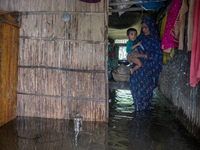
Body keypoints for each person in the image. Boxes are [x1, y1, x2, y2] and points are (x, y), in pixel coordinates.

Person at [129, 17, 163, 112]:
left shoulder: (155, 40)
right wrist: (129, 57)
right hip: (137, 72)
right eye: (143, 27)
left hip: (148, 71)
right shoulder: (140, 38)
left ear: (151, 27)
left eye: (146, 27)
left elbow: (157, 56)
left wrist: (140, 55)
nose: (144, 30)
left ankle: (144, 115)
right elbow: (131, 49)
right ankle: (138, 111)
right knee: (136, 92)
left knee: (145, 94)